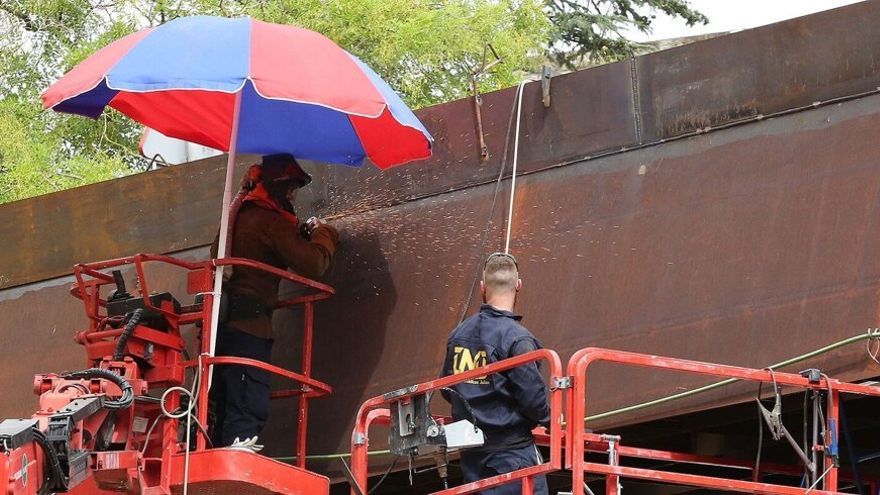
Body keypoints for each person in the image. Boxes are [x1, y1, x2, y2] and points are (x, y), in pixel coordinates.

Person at [209, 153, 339, 449]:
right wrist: (325, 233)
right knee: (247, 399)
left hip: (221, 328)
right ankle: (236, 456)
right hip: (249, 329)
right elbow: (313, 264)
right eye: (290, 187)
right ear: (277, 187)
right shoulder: (268, 220)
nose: (293, 194)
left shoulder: (238, 214)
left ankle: (221, 453)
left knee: (222, 402)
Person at [440, 252, 550, 494]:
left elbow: (446, 390)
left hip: (473, 461)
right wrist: (552, 421)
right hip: (513, 459)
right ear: (518, 285)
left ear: (482, 287)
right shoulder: (517, 339)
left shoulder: (458, 335)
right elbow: (533, 399)